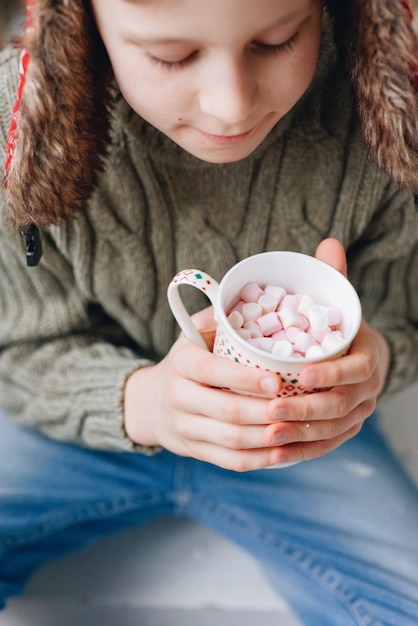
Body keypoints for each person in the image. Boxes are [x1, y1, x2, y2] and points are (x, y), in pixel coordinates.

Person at [1, 0, 418, 624]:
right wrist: (143, 404)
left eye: (277, 41)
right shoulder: (19, 129)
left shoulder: (388, 112)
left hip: (298, 440)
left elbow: (401, 314)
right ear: (80, 24)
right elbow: (18, 349)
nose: (231, 104)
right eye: (172, 55)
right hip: (80, 429)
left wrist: (373, 359)